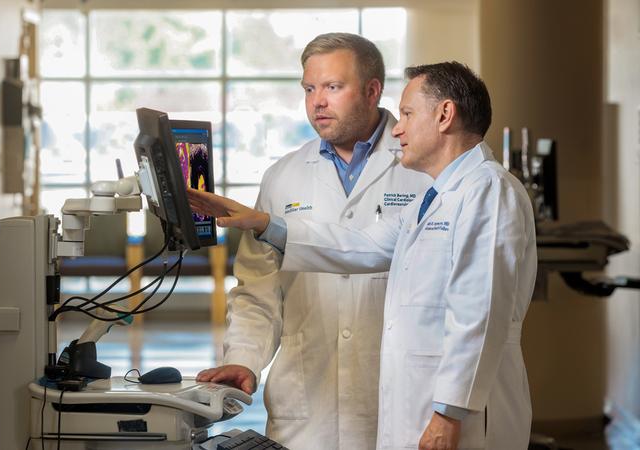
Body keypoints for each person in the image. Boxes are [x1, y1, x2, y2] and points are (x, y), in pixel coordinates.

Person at [189, 61, 535, 450]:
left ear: (444, 115)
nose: (398, 127)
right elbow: (359, 244)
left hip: (462, 416)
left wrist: (449, 412)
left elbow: (479, 312)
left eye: (406, 114)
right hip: (419, 405)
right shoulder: (435, 197)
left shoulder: (488, 190)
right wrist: (264, 223)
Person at [195, 33, 430, 449]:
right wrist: (243, 359)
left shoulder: (422, 167)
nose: (317, 102)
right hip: (306, 402)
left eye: (333, 87)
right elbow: (257, 291)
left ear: (373, 90)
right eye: (309, 88)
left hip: (398, 395)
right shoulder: (283, 177)